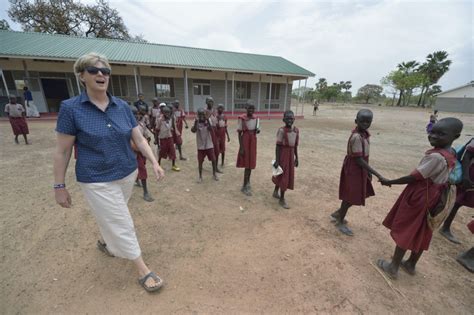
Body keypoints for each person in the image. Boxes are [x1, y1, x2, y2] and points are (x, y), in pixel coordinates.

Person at [53, 52, 165, 292]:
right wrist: (59, 186)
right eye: (93, 70)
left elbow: (139, 138)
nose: (101, 74)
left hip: (127, 173)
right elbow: (62, 152)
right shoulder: (71, 109)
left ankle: (105, 241)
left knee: (115, 214)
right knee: (122, 221)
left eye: (105, 71)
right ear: (82, 76)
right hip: (95, 179)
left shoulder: (122, 107)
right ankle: (142, 269)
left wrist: (154, 161)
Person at [378, 117, 463, 280]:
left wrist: (390, 182)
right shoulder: (450, 153)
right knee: (424, 229)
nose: (434, 136)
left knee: (408, 228)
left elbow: (414, 177)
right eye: (432, 132)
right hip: (435, 196)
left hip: (421, 195)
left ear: (456, 136)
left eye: (441, 134)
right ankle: (410, 264)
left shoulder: (436, 157)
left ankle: (393, 266)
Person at [330, 109, 385, 236]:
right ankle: (340, 220)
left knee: (356, 194)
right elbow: (359, 159)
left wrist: (368, 171)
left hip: (361, 168)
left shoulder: (365, 134)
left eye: (368, 121)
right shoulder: (356, 137)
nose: (365, 124)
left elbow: (365, 157)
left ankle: (338, 213)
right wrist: (377, 174)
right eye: (362, 121)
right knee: (350, 196)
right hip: (354, 168)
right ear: (356, 121)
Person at [439, 137, 474, 243]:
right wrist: (466, 176)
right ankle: (444, 227)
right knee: (458, 201)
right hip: (470, 173)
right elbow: (467, 155)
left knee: (459, 200)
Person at [272, 110, 299, 209]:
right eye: (287, 118)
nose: (289, 120)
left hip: (291, 155)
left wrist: (296, 157)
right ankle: (281, 199)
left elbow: (295, 146)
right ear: (283, 119)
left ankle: (275, 192)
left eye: (291, 118)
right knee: (283, 174)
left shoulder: (296, 130)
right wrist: (277, 160)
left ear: (294, 119)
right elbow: (278, 146)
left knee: (284, 175)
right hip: (283, 155)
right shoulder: (282, 131)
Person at [237, 100, 259, 196]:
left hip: (253, 142)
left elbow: (256, 130)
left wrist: (257, 130)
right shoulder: (242, 119)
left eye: (253, 108)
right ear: (246, 108)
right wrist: (241, 147)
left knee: (251, 163)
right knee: (246, 164)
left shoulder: (256, 118)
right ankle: (244, 186)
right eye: (249, 108)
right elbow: (239, 133)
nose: (251, 110)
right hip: (245, 141)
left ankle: (248, 182)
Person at [132, 107, 155, 202]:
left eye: (136, 114)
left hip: (141, 151)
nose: (135, 116)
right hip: (132, 152)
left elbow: (146, 135)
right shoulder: (125, 127)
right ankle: (145, 192)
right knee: (142, 169)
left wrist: (147, 140)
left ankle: (137, 180)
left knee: (142, 166)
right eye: (132, 114)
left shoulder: (141, 124)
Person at [191, 108, 219, 182]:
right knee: (200, 161)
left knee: (213, 159)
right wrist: (196, 122)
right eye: (200, 115)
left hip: (209, 144)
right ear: (197, 115)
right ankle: (200, 176)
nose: (201, 116)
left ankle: (214, 174)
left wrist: (207, 120)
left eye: (203, 114)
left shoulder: (208, 120)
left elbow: (211, 130)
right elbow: (193, 130)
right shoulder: (196, 121)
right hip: (200, 145)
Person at [155, 106, 180, 171]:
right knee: (162, 151)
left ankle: (173, 165)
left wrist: (176, 134)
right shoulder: (160, 119)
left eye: (168, 113)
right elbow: (157, 130)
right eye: (165, 113)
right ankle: (158, 163)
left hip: (170, 137)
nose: (167, 114)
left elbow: (173, 127)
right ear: (163, 113)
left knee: (173, 151)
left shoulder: (171, 119)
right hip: (162, 138)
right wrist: (156, 140)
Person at [205, 96, 222, 173]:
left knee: (217, 150)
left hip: (215, 131)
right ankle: (203, 165)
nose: (210, 103)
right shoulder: (205, 111)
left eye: (212, 101)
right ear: (206, 102)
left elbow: (216, 121)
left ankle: (215, 167)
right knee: (208, 150)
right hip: (208, 132)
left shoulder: (215, 111)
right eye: (209, 101)